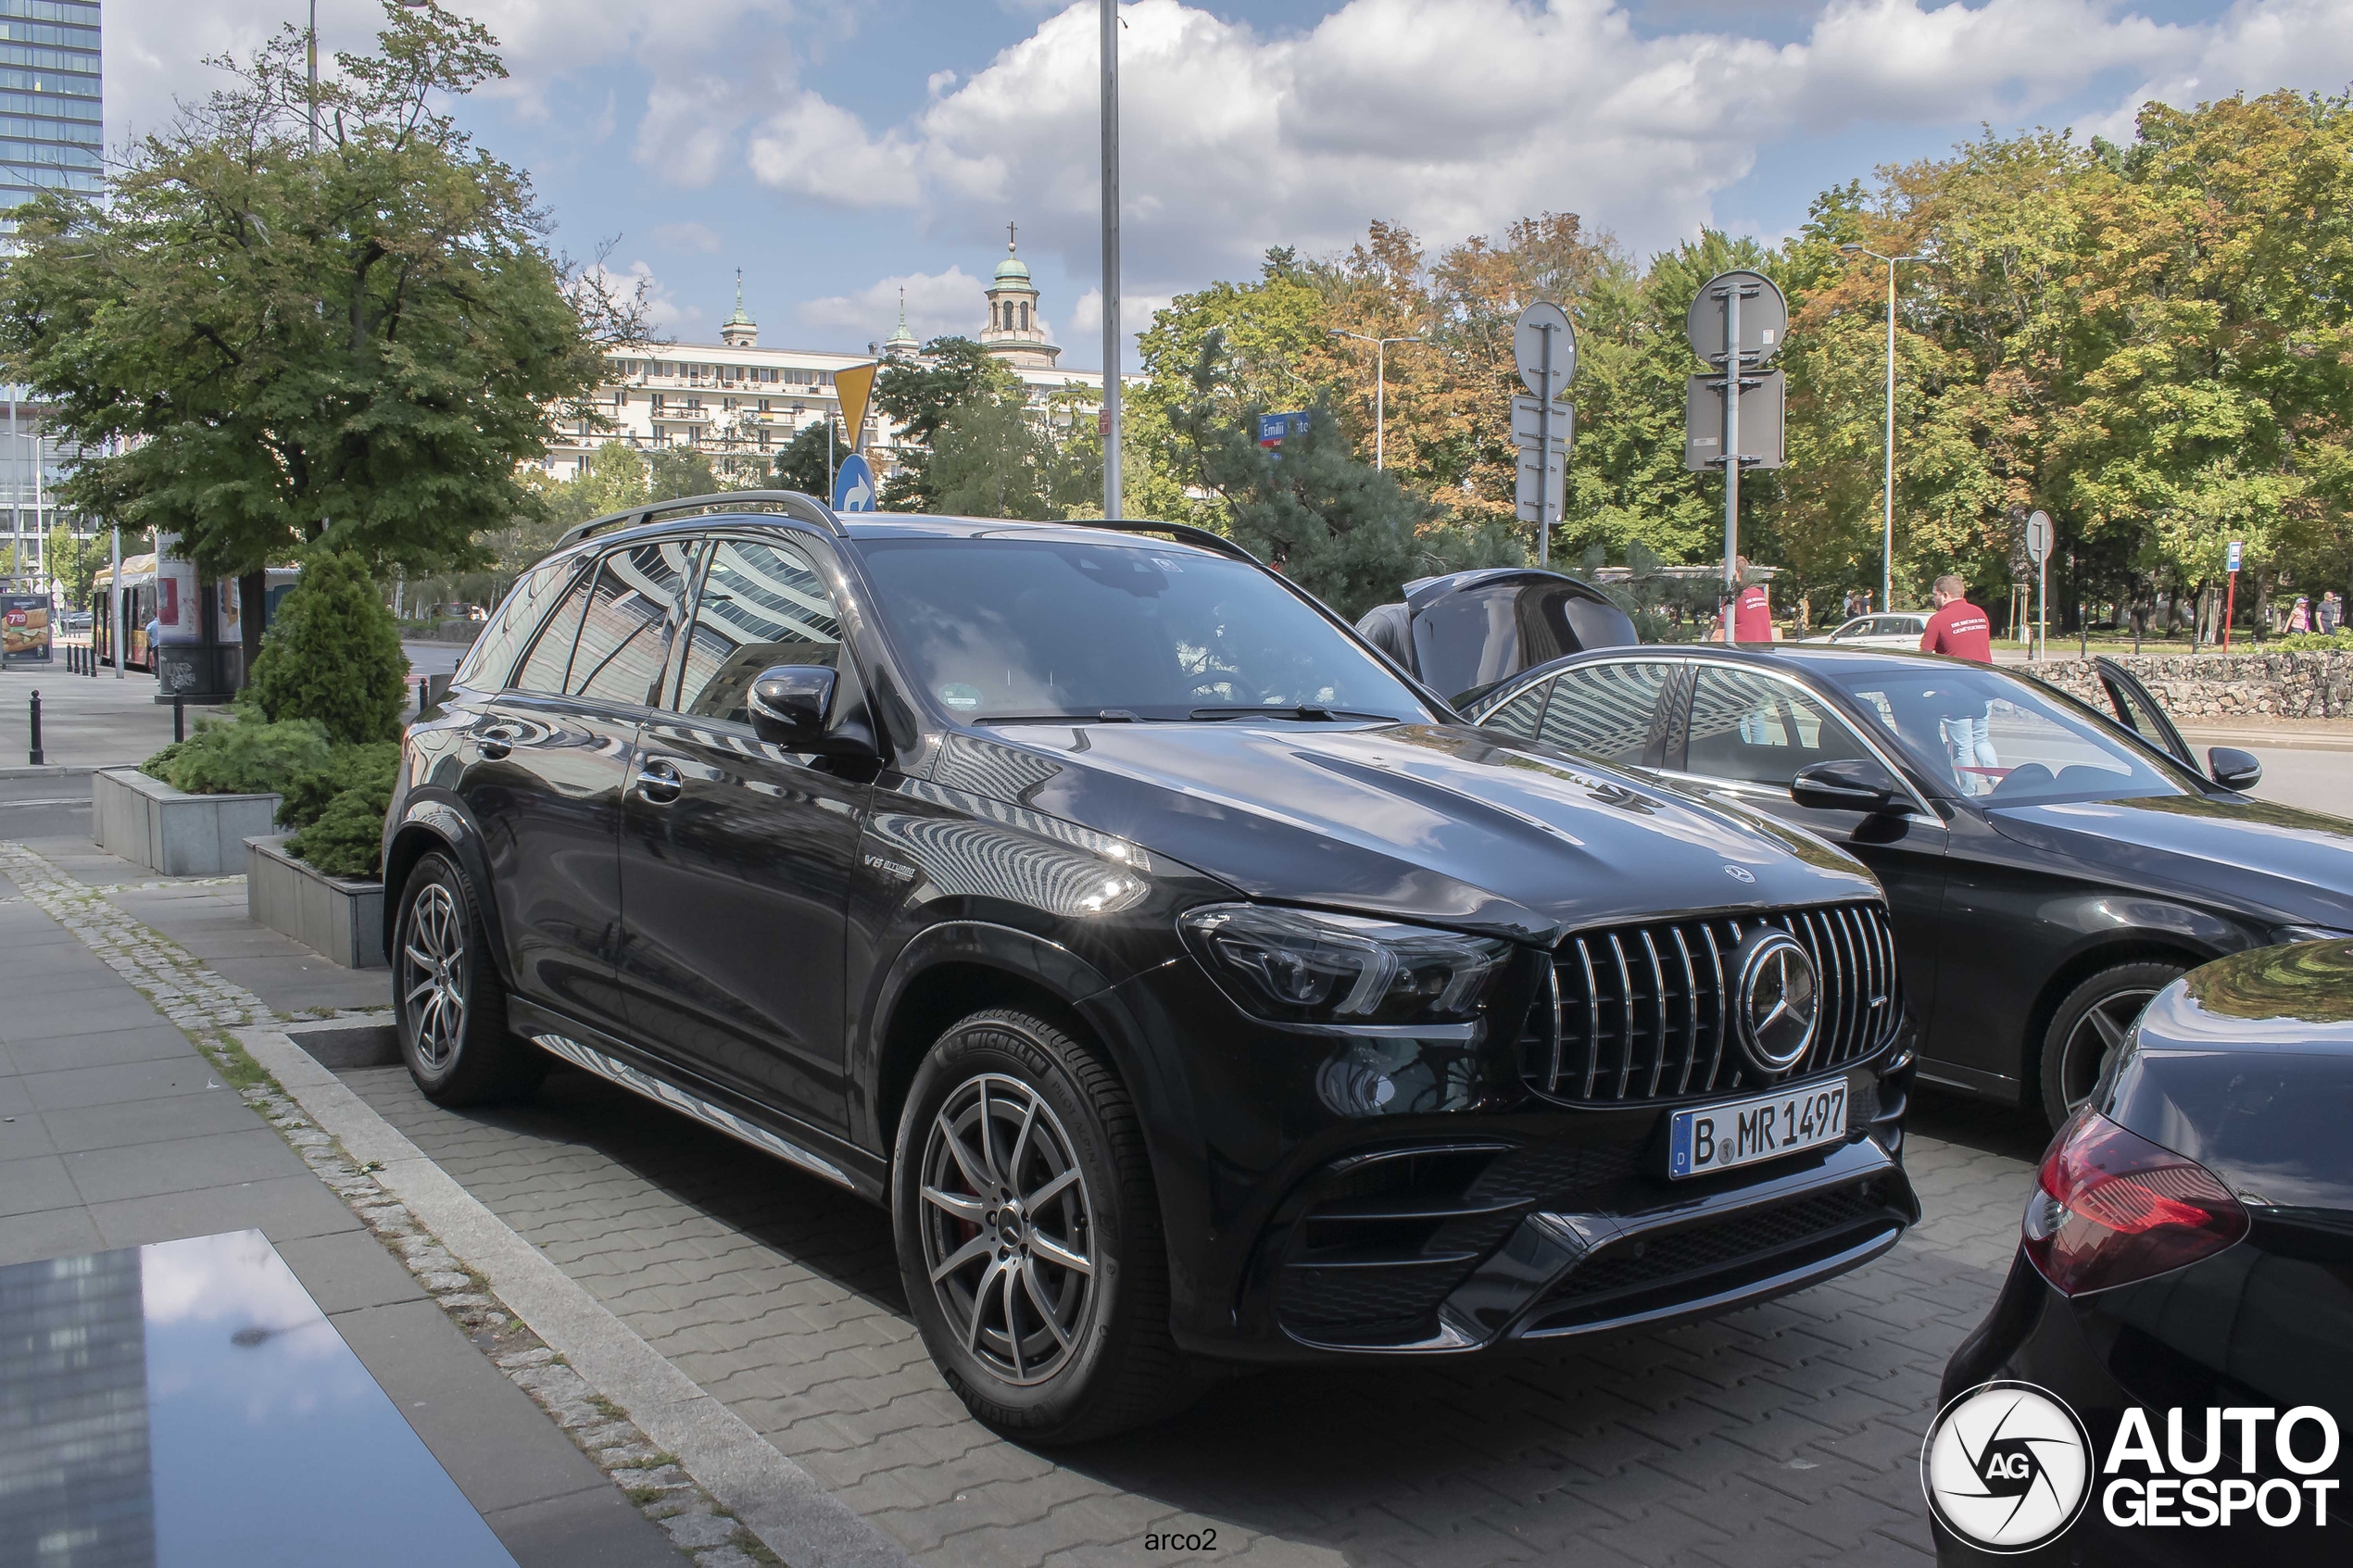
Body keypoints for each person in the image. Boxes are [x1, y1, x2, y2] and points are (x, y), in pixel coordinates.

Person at [1920, 573, 1997, 780]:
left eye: (1934, 595)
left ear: (1944, 595)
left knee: (1962, 747)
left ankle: (1968, 794)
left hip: (1955, 692)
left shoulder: (1938, 620)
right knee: (1981, 739)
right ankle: (1995, 781)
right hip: (1984, 686)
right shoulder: (1979, 614)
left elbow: (1923, 658)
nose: (1933, 600)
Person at [1718, 557, 1774, 643]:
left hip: (1742, 652)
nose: (1722, 576)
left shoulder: (1734, 597)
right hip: (1765, 651)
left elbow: (1718, 637)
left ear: (1736, 573)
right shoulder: (1758, 593)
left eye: (1725, 572)